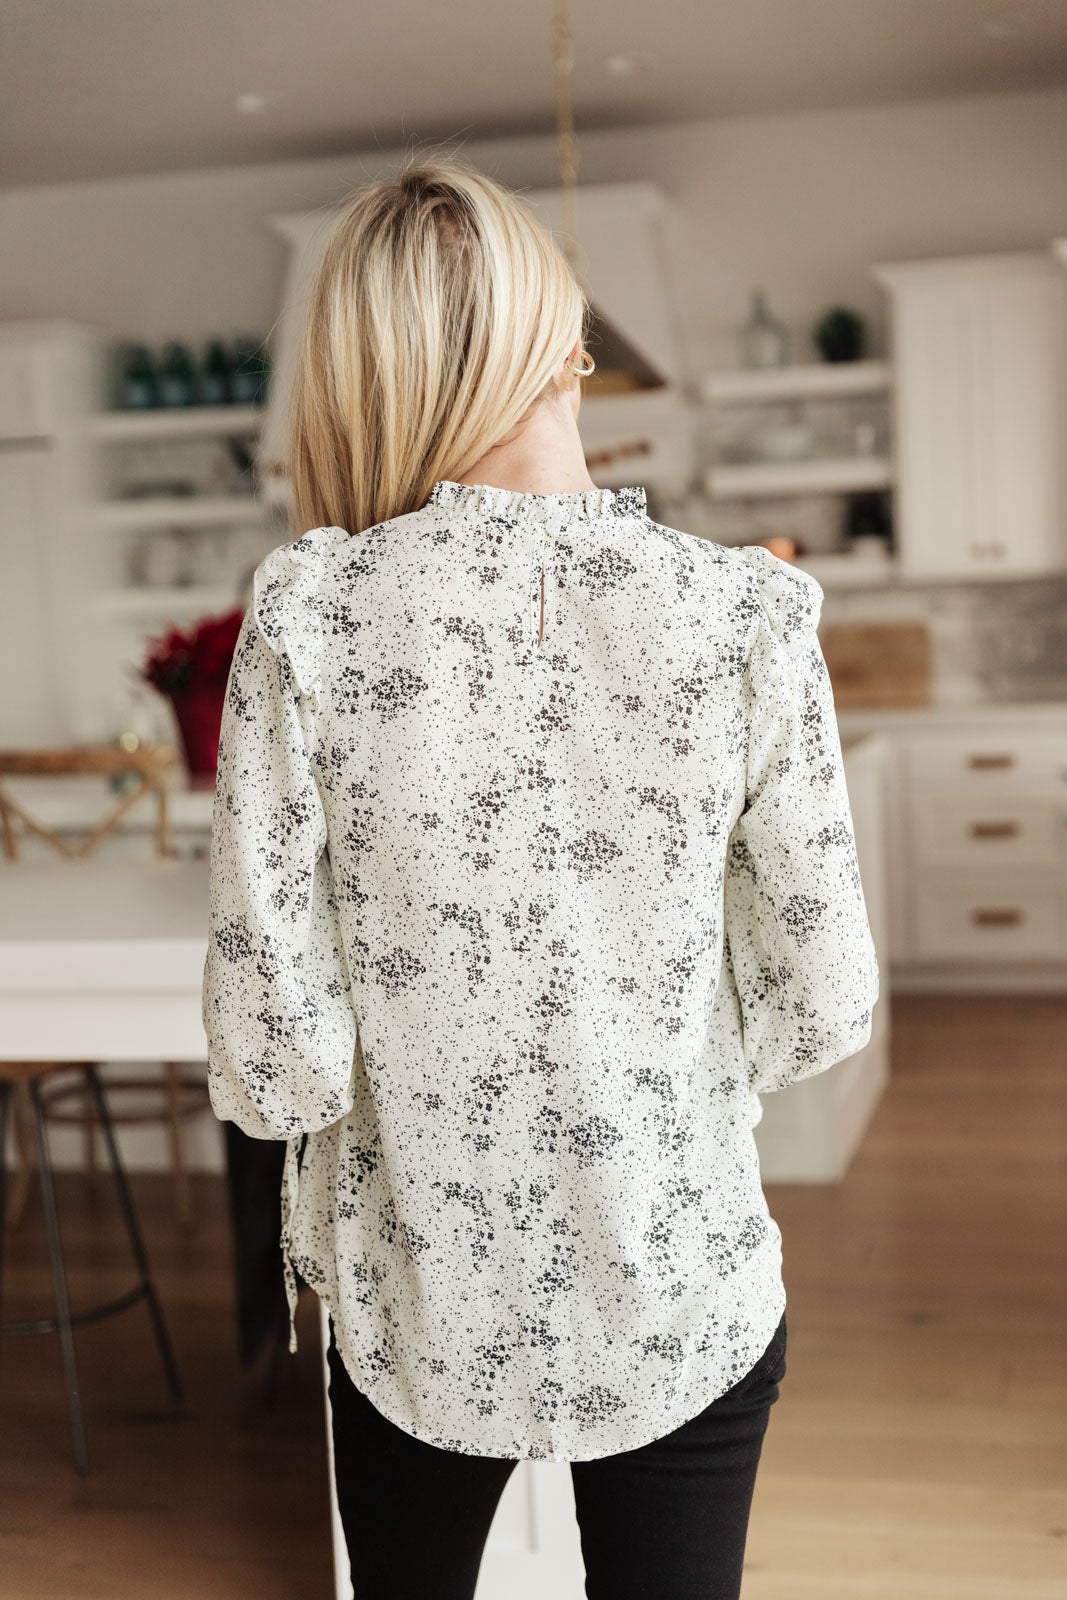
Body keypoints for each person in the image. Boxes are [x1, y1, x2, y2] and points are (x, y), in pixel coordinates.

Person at [202, 158, 879, 1600]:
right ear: (569, 346)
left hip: (422, 1296)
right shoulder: (747, 613)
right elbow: (823, 999)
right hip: (679, 1274)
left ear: (362, 378)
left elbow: (274, 1061)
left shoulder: (312, 617)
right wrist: (658, 1063)